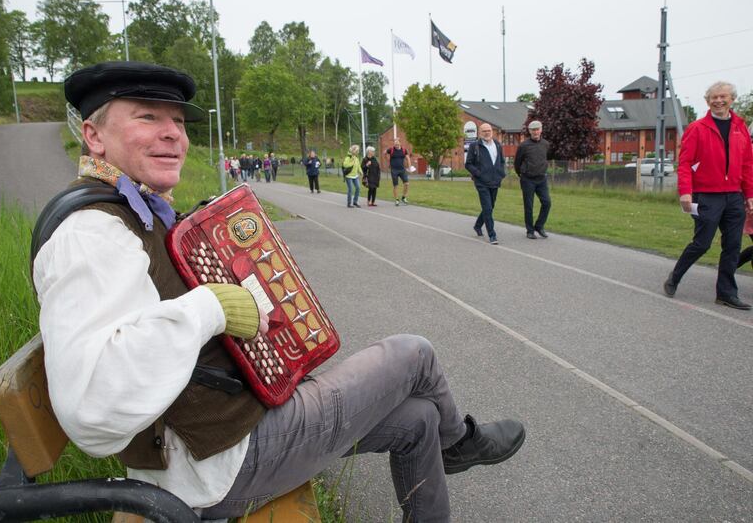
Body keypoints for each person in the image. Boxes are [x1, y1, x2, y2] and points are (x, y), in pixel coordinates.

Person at [36, 62, 525, 522]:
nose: (173, 133)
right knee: (414, 354)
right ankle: (460, 442)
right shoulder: (89, 238)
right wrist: (211, 308)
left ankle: (443, 455)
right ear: (93, 136)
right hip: (214, 468)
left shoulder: (132, 210)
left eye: (179, 121)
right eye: (148, 117)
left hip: (229, 434)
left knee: (419, 419)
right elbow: (90, 408)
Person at [663, 81, 753, 310]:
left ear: (732, 99)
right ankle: (675, 276)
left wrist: (749, 194)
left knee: (732, 245)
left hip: (734, 195)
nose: (718, 101)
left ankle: (726, 293)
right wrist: (685, 192)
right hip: (707, 195)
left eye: (723, 97)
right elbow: (685, 163)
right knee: (702, 243)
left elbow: (747, 164)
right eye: (713, 97)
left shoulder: (740, 127)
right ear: (707, 101)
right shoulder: (697, 128)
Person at [465, 123, 506, 245]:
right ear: (479, 133)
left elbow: (502, 161)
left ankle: (478, 225)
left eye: (488, 130)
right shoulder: (474, 146)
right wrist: (478, 173)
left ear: (492, 132)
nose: (487, 133)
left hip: (495, 181)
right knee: (487, 208)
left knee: (490, 206)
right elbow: (468, 164)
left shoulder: (497, 145)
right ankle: (492, 234)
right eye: (484, 131)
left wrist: (501, 173)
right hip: (481, 182)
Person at [514, 120, 551, 239]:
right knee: (529, 205)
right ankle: (530, 231)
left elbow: (546, 158)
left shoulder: (545, 144)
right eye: (533, 130)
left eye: (537, 129)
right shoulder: (524, 146)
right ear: (529, 131)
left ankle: (539, 226)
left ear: (541, 130)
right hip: (527, 179)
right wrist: (522, 174)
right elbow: (517, 163)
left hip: (541, 179)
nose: (535, 132)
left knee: (547, 202)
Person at [385, 138, 411, 206]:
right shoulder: (391, 150)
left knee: (407, 184)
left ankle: (404, 197)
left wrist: (409, 167)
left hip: (402, 170)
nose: (396, 145)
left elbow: (408, 158)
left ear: (400, 143)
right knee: (395, 185)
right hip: (394, 170)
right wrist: (388, 162)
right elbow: (385, 154)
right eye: (395, 144)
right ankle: (397, 200)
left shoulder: (404, 150)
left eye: (397, 144)